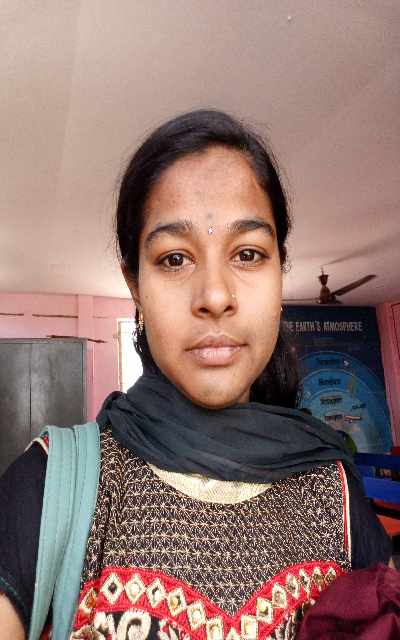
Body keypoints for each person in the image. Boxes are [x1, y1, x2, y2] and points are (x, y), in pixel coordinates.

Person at [0, 110, 393, 639]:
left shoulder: (337, 496)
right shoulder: (54, 485)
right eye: (174, 259)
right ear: (136, 288)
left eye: (248, 254)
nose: (214, 295)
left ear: (280, 276)